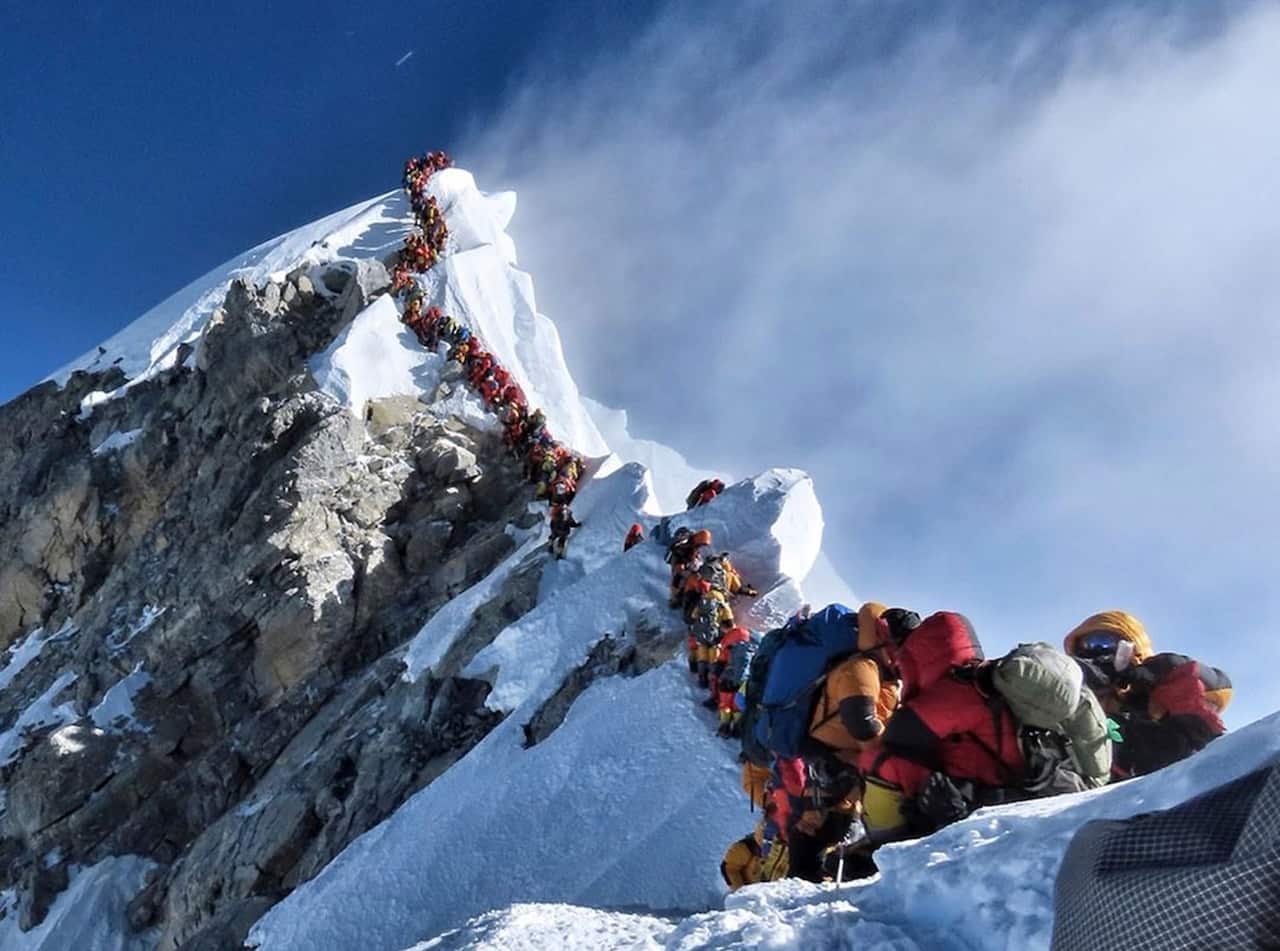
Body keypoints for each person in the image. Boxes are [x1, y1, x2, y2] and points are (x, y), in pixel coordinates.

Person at [1064, 611, 1231, 778]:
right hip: (1096, 781)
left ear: (1132, 648)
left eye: (1104, 642)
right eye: (1086, 646)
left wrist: (1167, 668)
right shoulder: (1072, 699)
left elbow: (1219, 688)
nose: (1095, 651)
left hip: (1174, 773)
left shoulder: (1155, 689)